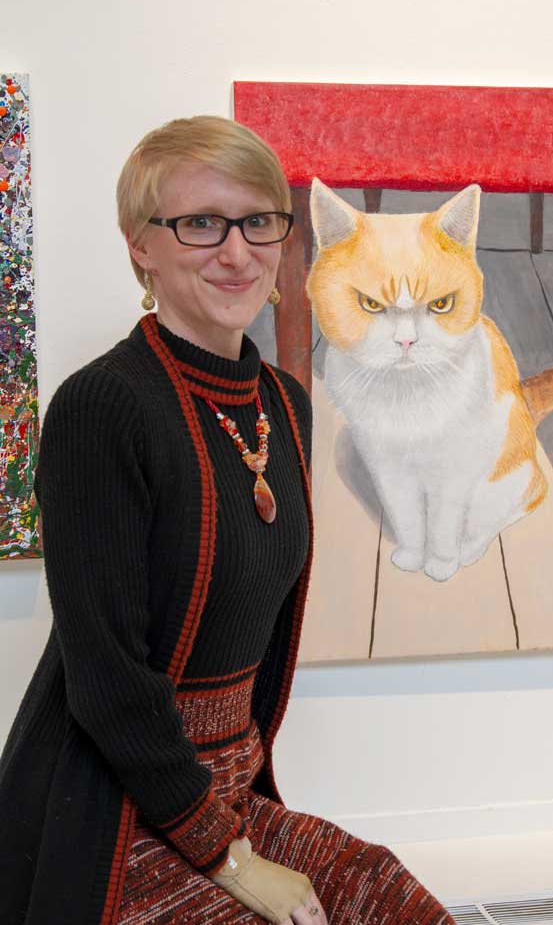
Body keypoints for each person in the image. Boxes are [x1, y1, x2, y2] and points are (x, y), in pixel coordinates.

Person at [0, 115, 457, 925]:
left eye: (257, 221)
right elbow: (107, 682)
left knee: (389, 897)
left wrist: (237, 827)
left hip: (230, 799)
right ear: (141, 244)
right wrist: (232, 863)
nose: (238, 251)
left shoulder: (282, 404)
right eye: (200, 224)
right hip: (113, 810)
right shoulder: (103, 406)